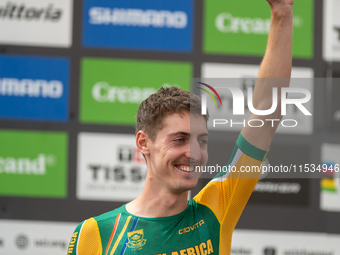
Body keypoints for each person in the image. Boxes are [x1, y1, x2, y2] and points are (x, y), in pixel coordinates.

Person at [67, 0, 295, 254]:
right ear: (143, 142)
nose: (194, 153)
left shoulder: (217, 208)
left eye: (202, 141)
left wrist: (282, 12)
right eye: (179, 139)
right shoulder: (96, 233)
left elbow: (268, 109)